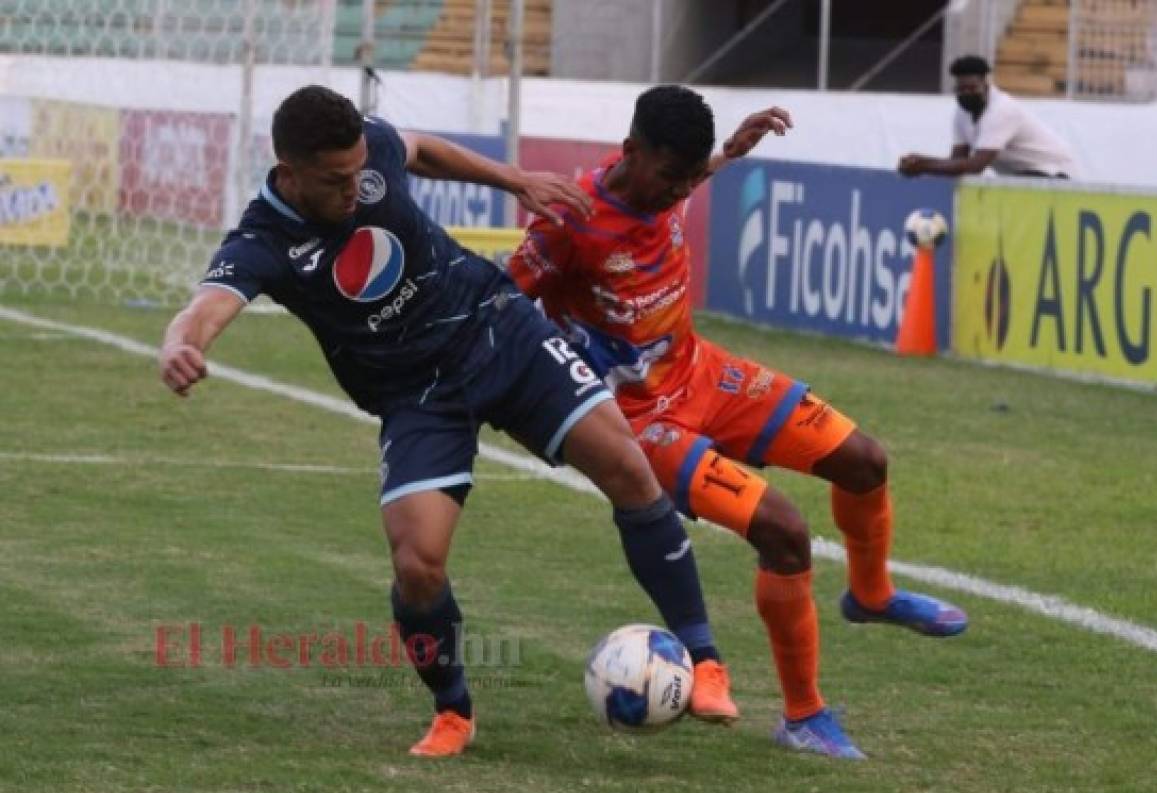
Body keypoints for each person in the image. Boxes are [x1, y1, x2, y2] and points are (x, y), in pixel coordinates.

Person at [158, 85, 738, 758]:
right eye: (335, 180)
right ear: (288, 173)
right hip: (416, 394)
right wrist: (182, 344)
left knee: (630, 469)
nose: (355, 188)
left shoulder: (368, 149)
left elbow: (423, 148)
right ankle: (454, 709)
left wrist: (514, 178)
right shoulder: (264, 239)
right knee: (418, 563)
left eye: (358, 173)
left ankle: (706, 662)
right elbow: (208, 303)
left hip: (496, 327)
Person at [509, 85, 969, 760]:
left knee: (865, 459)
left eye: (690, 179)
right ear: (632, 153)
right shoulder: (570, 221)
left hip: (704, 373)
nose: (679, 194)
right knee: (784, 530)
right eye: (672, 178)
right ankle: (804, 714)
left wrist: (726, 155)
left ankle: (872, 594)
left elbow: (685, 177)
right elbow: (505, 305)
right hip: (639, 420)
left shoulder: (666, 176)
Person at [898, 54, 1076, 180]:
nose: (966, 93)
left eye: (972, 88)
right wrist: (920, 160)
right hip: (1020, 176)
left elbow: (976, 166)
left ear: (985, 84)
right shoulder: (962, 112)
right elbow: (957, 162)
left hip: (1052, 172)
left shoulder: (1002, 110)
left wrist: (922, 166)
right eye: (961, 89)